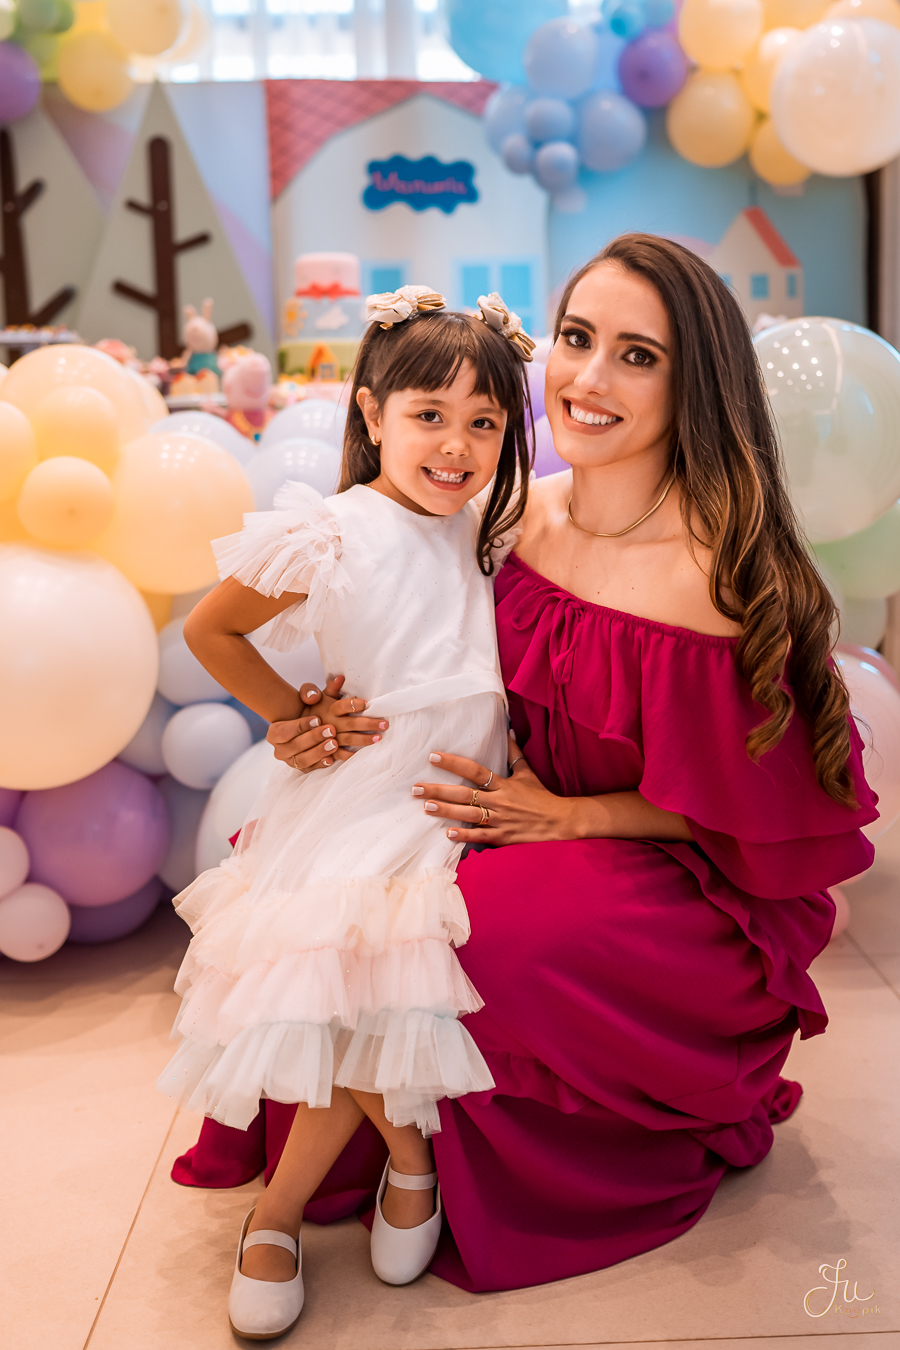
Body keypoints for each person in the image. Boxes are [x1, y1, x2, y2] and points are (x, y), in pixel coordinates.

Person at [174, 235, 877, 1295]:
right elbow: (393, 637)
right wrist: (298, 722)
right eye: (578, 338)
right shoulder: (506, 518)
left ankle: (441, 1163)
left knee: (470, 935)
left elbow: (761, 815)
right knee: (324, 896)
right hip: (489, 808)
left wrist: (578, 816)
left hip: (674, 867)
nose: (588, 378)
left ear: (693, 383)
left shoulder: (715, 573)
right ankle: (374, 1158)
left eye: (638, 355)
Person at [156, 284, 534, 1337]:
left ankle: (326, 1196)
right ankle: (328, 1191)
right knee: (341, 973)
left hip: (452, 795)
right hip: (365, 791)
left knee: (375, 973)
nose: (456, 445)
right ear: (372, 412)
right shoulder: (334, 530)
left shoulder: (487, 530)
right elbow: (212, 629)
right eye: (429, 415)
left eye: (484, 423)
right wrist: (292, 715)